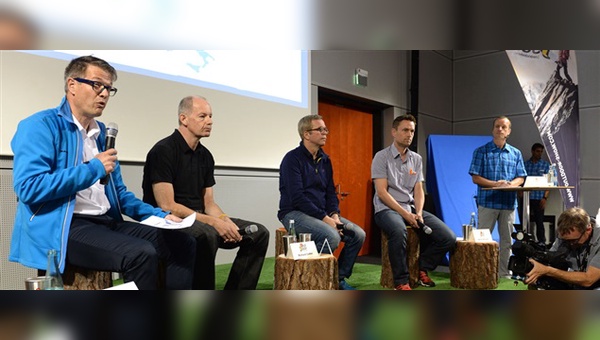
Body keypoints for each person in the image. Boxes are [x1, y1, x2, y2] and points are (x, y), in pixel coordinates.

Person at [9, 55, 195, 290]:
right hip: (65, 227)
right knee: (140, 253)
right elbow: (29, 187)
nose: (105, 93)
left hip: (105, 222)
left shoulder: (102, 133)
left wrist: (159, 216)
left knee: (182, 242)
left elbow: (119, 194)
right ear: (72, 85)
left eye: (109, 88)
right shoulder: (40, 125)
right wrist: (93, 168)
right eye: (97, 85)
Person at [142, 95, 269, 290]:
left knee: (258, 233)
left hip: (199, 219)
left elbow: (208, 203)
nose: (209, 121)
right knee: (208, 233)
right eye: (202, 116)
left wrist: (224, 220)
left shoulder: (206, 156)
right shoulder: (163, 151)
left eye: (210, 116)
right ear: (184, 119)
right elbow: (167, 206)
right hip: (167, 221)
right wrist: (214, 223)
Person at [278, 114, 366, 290]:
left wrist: (334, 214)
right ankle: (308, 281)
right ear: (306, 134)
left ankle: (337, 278)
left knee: (358, 234)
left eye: (325, 129)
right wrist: (325, 219)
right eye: (320, 129)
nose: (325, 132)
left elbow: (330, 192)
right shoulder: (292, 159)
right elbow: (298, 197)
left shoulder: (325, 160)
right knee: (331, 236)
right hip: (294, 213)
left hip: (322, 213)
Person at [372, 114, 456, 291]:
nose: (409, 134)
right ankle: (401, 282)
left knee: (448, 237)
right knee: (398, 230)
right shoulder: (381, 157)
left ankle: (421, 268)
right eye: (405, 130)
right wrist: (405, 215)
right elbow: (381, 192)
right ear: (394, 132)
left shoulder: (416, 159)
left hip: (410, 207)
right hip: (386, 209)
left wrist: (418, 212)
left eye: (412, 131)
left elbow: (418, 189)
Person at [469, 115, 527, 278]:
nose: (500, 129)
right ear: (492, 129)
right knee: (483, 241)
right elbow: (475, 177)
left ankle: (504, 273)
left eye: (503, 127)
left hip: (508, 204)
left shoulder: (516, 153)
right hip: (487, 203)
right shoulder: (481, 151)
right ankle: (481, 273)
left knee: (507, 241)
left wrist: (510, 185)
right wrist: (497, 184)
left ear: (508, 131)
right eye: (497, 126)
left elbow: (521, 177)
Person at [525, 207, 600, 289]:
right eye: (566, 241)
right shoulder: (564, 239)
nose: (570, 244)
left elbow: (589, 280)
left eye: (574, 241)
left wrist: (547, 270)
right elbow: (550, 261)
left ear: (588, 230)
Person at [518, 142, 551, 246]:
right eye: (537, 151)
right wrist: (520, 192)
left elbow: (549, 183)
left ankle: (541, 242)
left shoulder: (545, 165)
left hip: (539, 197)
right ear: (532, 151)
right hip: (526, 197)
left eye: (541, 152)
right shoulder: (525, 165)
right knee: (524, 221)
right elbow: (520, 180)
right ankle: (524, 240)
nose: (539, 153)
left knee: (539, 221)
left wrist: (545, 198)